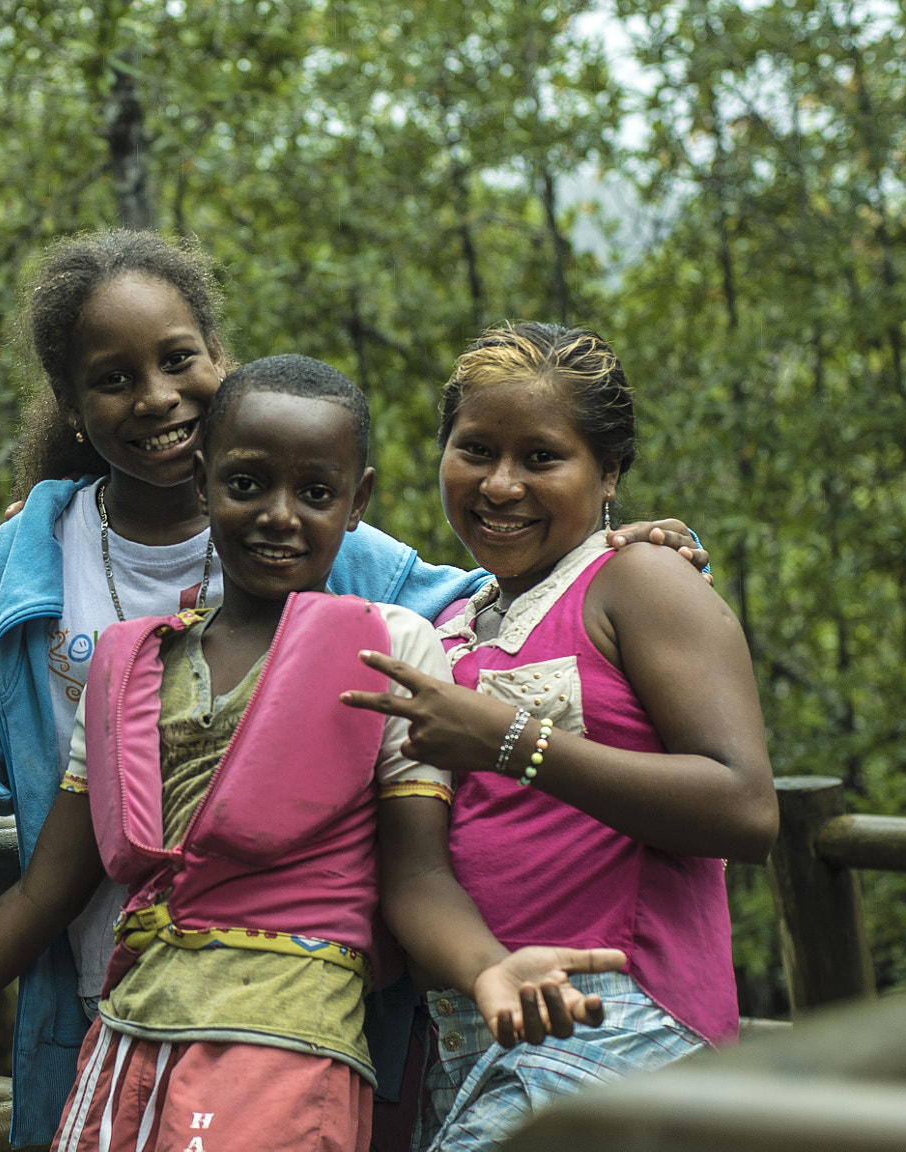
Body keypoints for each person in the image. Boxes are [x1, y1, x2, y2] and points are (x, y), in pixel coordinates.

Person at [0, 229, 709, 1147]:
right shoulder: (71, 603)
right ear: (72, 403)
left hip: (302, 1040)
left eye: (178, 358)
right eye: (113, 378)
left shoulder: (377, 597)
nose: (155, 398)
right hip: (110, 1017)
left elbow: (497, 621)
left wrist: (613, 552)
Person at [341, 322, 776, 1151]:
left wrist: (512, 742)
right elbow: (286, 507)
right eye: (475, 450)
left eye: (541, 457)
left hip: (620, 1024)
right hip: (473, 1034)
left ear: (608, 473)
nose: (500, 485)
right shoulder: (452, 622)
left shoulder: (638, 580)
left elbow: (746, 809)